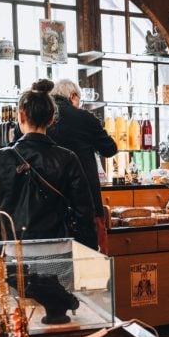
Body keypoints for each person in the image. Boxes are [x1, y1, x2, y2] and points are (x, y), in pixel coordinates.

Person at [0, 79, 97, 249]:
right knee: (58, 277)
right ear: (52, 119)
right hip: (58, 250)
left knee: (17, 277)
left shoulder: (3, 158)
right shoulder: (67, 157)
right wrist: (89, 250)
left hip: (15, 252)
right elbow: (84, 213)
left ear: (21, 116)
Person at [47, 79, 118, 253]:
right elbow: (110, 149)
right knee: (93, 257)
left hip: (51, 201)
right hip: (86, 197)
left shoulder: (44, 118)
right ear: (72, 97)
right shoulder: (84, 118)